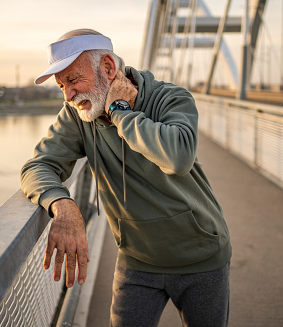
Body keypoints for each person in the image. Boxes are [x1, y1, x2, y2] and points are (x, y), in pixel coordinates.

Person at [21, 28, 232, 327]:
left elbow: (179, 157)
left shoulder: (169, 97)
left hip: (201, 256)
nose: (68, 94)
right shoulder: (78, 114)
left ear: (108, 67)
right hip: (137, 261)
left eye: (73, 80)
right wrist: (61, 204)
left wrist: (120, 112)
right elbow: (37, 166)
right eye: (60, 86)